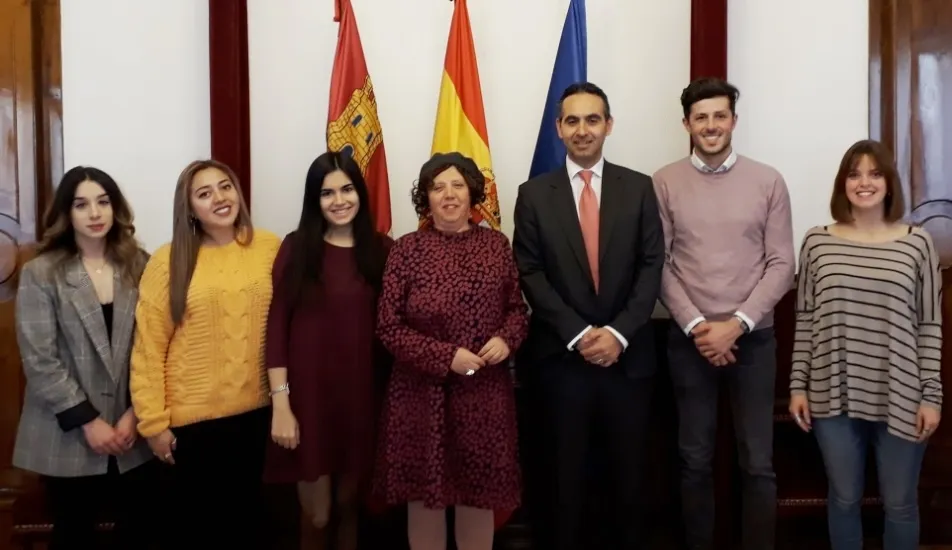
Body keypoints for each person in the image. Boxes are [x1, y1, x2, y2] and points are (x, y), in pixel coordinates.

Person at [512, 81, 664, 550]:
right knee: (564, 485)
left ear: (608, 125)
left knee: (628, 483)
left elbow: (652, 264)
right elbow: (530, 272)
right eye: (572, 121)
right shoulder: (534, 194)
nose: (583, 130)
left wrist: (617, 333)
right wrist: (580, 334)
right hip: (562, 364)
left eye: (592, 119)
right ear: (558, 128)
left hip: (628, 361)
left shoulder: (639, 188)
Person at [653, 77, 795, 550]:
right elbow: (660, 263)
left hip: (752, 340)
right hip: (688, 342)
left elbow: (782, 263)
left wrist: (735, 326)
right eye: (701, 118)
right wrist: (698, 327)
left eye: (719, 116)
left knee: (758, 463)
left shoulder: (768, 179)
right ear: (686, 124)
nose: (711, 126)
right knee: (693, 459)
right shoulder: (664, 181)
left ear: (734, 120)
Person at [789, 139, 942, 550]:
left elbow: (930, 324)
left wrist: (932, 395)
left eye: (875, 173)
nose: (864, 182)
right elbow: (805, 320)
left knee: (900, 504)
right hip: (831, 394)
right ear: (843, 184)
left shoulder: (917, 243)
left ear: (889, 183)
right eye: (854, 174)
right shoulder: (817, 242)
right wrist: (798, 386)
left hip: (903, 393)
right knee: (843, 499)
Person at [372, 152, 528, 550]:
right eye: (438, 187)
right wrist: (446, 357)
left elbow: (517, 310)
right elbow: (388, 327)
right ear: (426, 197)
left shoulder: (496, 245)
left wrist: (506, 338)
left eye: (458, 185)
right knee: (425, 500)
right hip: (420, 396)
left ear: (473, 192)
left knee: (477, 497)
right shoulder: (405, 250)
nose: (449, 194)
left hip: (483, 397)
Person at [130, 159, 281, 548]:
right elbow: (147, 349)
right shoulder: (169, 260)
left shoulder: (269, 247)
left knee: (254, 531)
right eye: (204, 193)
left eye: (225, 187)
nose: (219, 198)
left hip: (258, 419)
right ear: (189, 208)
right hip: (191, 430)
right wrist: (153, 425)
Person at [12, 166, 161, 549]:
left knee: (142, 530)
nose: (95, 213)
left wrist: (136, 413)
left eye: (103, 202)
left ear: (116, 209)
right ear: (67, 213)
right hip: (69, 435)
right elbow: (41, 361)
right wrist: (89, 422)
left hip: (134, 433)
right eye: (82, 205)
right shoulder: (40, 273)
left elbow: (154, 346)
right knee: (73, 534)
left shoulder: (140, 265)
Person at [264, 151, 393, 550]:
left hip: (361, 400)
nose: (339, 201)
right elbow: (276, 331)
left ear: (360, 193)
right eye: (327, 193)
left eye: (347, 189)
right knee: (317, 515)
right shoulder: (297, 247)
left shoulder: (382, 249)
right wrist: (281, 405)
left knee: (350, 505)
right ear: (314, 200)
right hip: (307, 403)